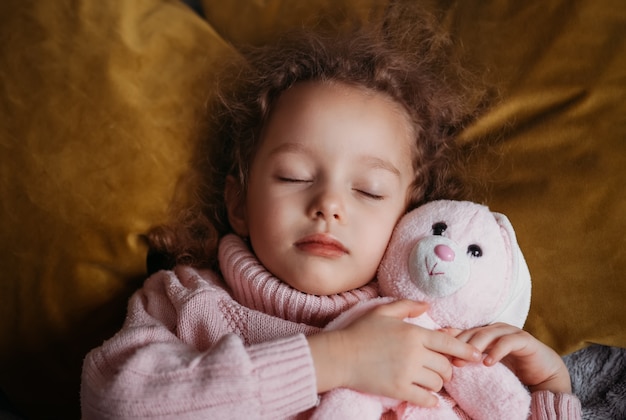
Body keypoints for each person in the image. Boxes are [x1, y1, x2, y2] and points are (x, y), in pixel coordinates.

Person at [80, 12, 581, 419]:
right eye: (294, 176)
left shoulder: (429, 335)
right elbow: (114, 400)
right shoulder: (186, 301)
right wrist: (336, 360)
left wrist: (550, 392)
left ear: (410, 217)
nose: (329, 205)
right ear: (239, 202)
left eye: (368, 189)